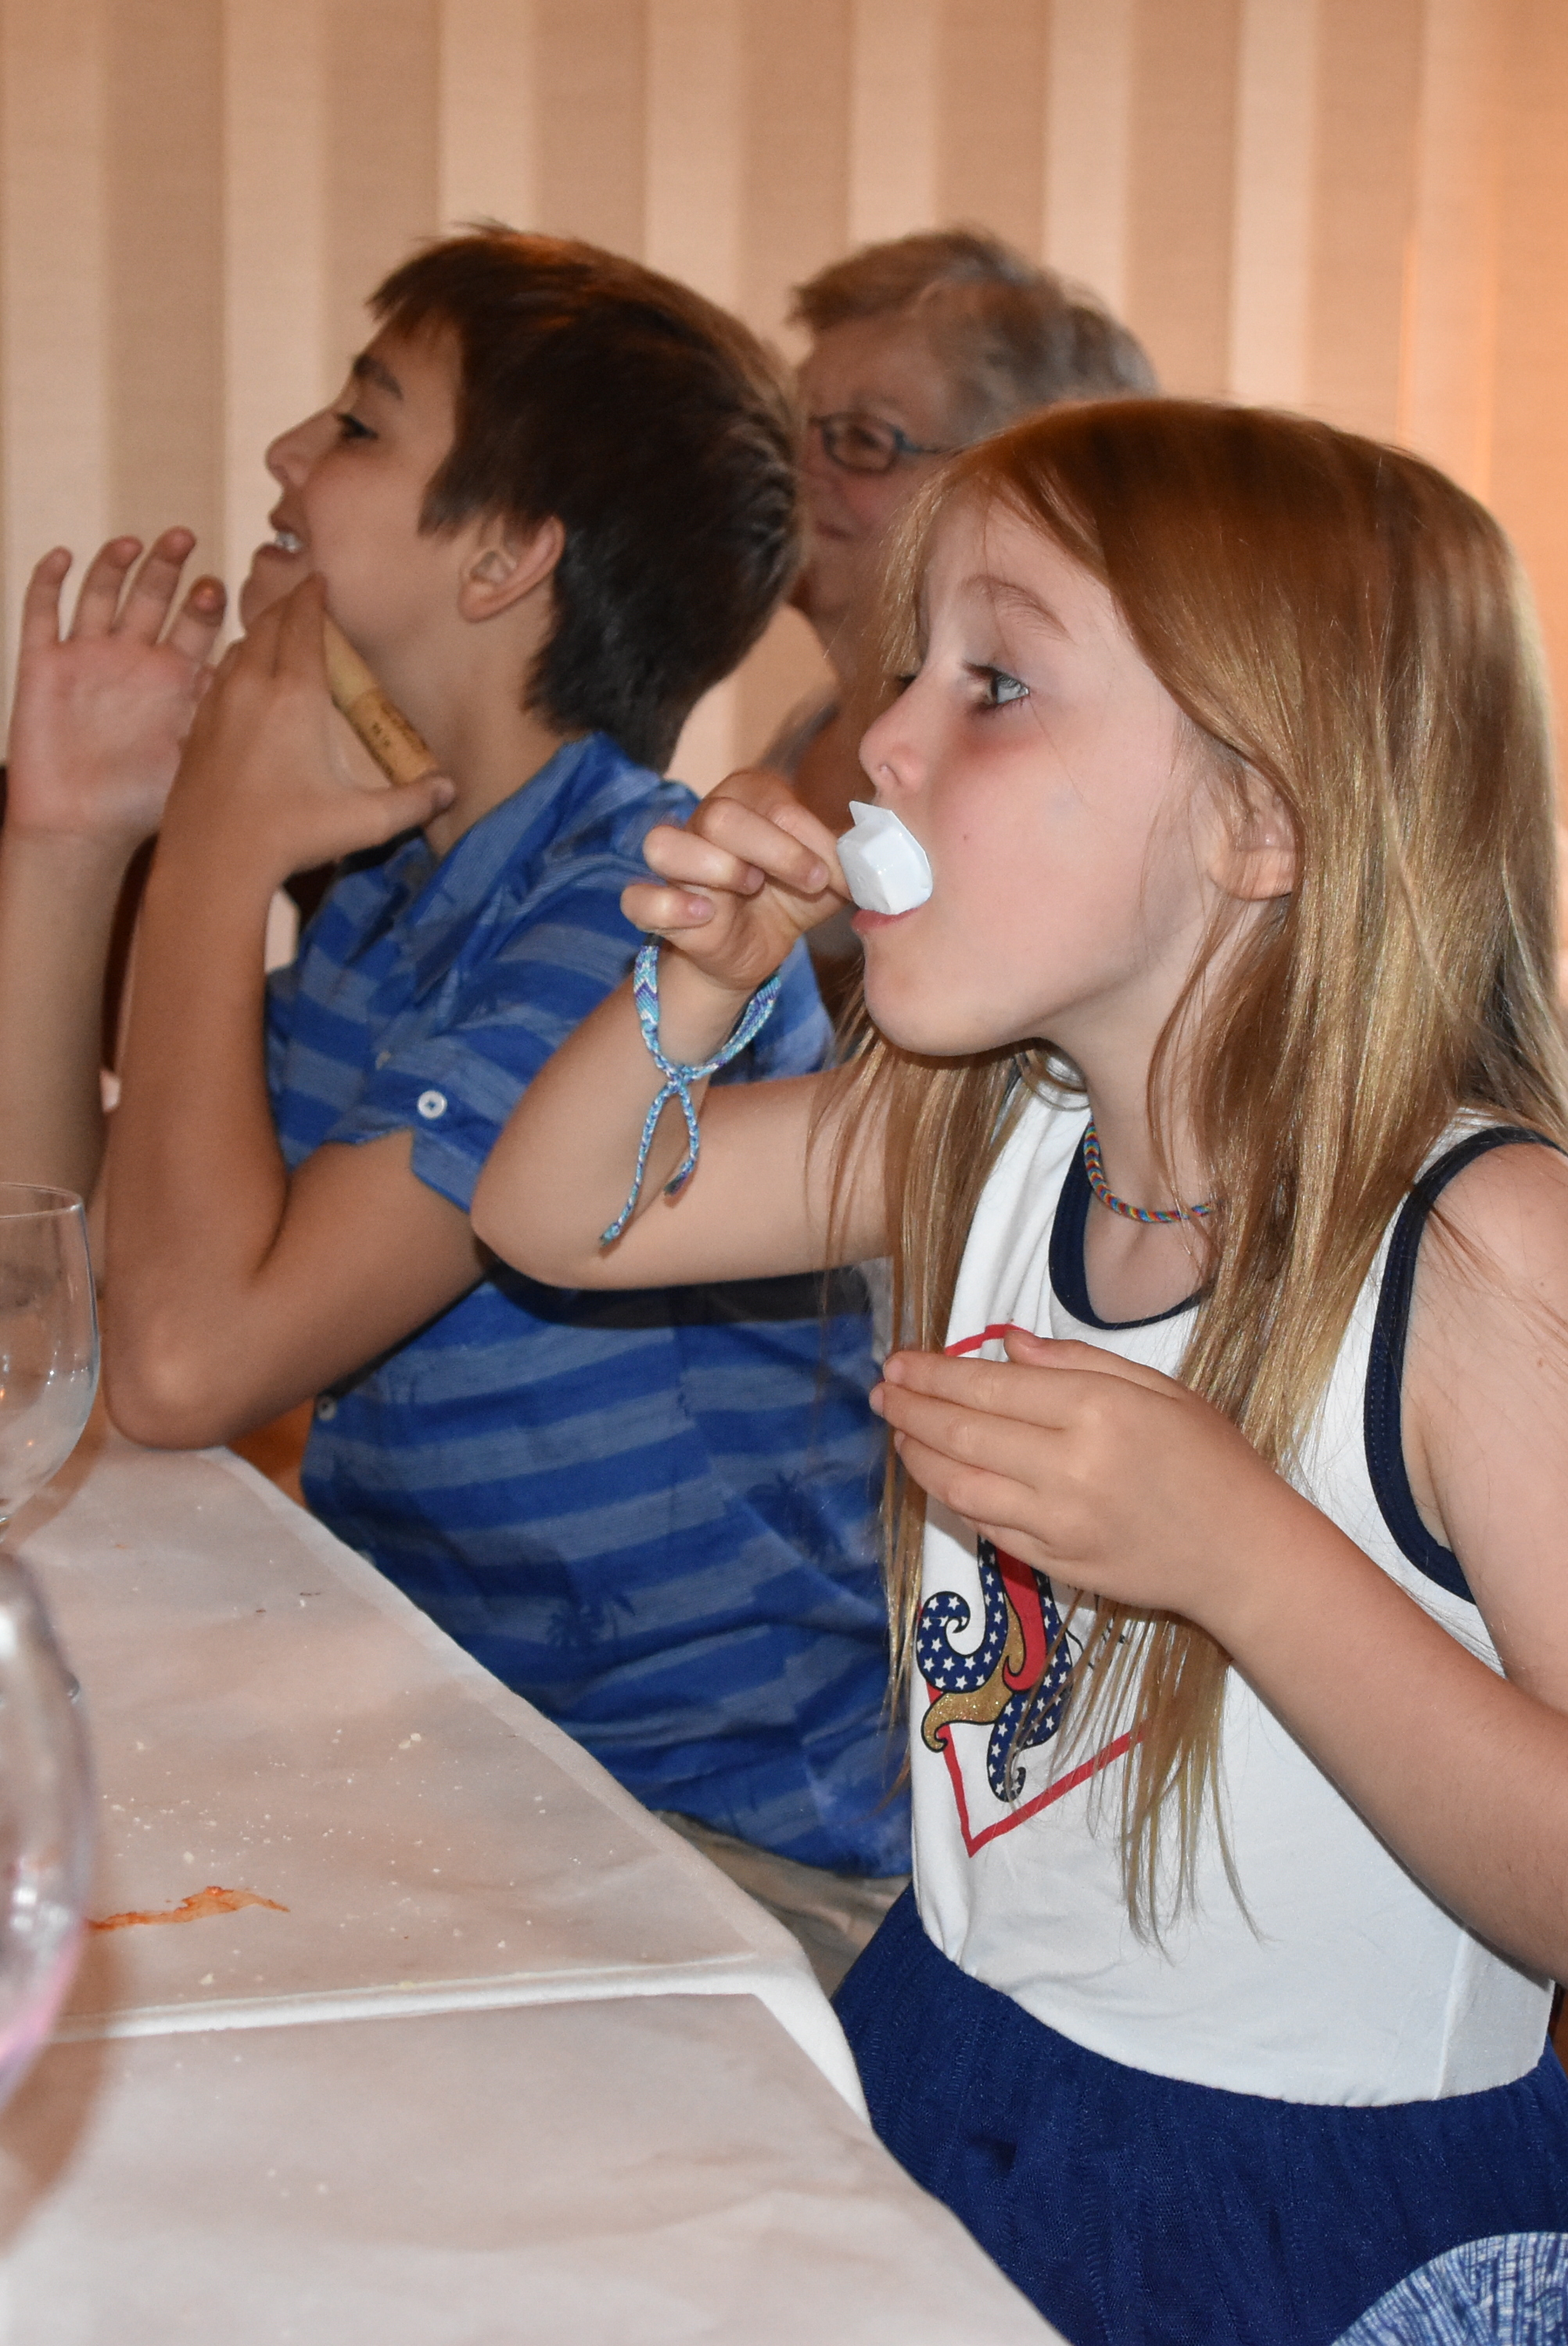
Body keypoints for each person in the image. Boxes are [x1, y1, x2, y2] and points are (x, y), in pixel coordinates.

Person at [470, 396, 1568, 2343]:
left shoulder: (1481, 1254)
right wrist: (696, 990)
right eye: (909, 670)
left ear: (1260, 817)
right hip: (952, 2066)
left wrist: (1242, 1554)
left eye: (992, 684)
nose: (881, 739)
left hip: (1307, 2215)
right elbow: (553, 1218)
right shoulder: (986, 1136)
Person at [2, 231, 910, 1977]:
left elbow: (186, 1369)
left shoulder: (635, 912)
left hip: (726, 1854)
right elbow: (61, 1308)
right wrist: (69, 838)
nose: (286, 456)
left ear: (505, 556)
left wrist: (209, 855)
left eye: (358, 425)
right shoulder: (410, 897)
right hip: (472, 1772)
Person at [776, 226, 1155, 838]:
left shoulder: (1060, 779)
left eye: (864, 438)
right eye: (794, 423)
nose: (798, 466)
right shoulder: (805, 737)